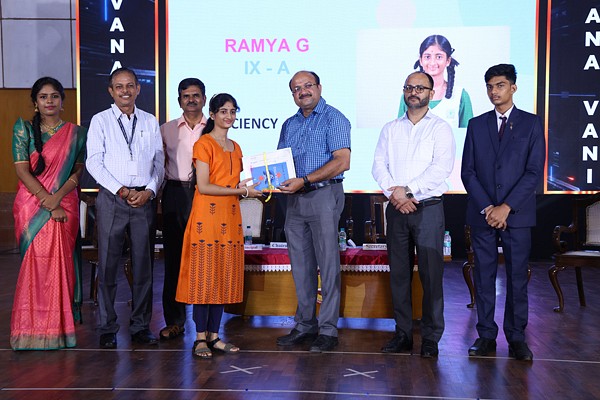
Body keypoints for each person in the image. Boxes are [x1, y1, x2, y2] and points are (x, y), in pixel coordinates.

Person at [461, 64, 545, 361]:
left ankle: (517, 337)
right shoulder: (476, 124)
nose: (494, 91)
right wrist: (489, 208)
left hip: (517, 215)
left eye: (500, 85)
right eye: (489, 86)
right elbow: (468, 172)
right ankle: (486, 335)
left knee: (517, 277)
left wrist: (506, 208)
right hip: (482, 214)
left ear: (513, 87)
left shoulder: (531, 123)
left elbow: (533, 172)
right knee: (484, 277)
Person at [373, 71, 455, 358]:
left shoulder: (441, 128)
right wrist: (396, 195)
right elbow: (379, 165)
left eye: (420, 88)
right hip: (396, 209)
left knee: (431, 276)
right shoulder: (390, 129)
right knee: (399, 275)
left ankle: (430, 338)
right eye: (409, 87)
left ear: (431, 93)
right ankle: (403, 334)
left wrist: (408, 191)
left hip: (427, 208)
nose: (414, 92)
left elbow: (441, 168)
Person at [176, 93, 263, 358]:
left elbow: (231, 183)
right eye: (223, 111)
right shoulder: (204, 144)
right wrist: (242, 192)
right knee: (204, 278)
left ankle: (215, 336)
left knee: (223, 276)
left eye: (232, 111)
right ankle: (199, 338)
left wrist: (244, 187)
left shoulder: (236, 147)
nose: (229, 116)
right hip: (207, 219)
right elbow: (204, 186)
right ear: (212, 115)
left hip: (231, 218)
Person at [86, 67, 165, 349]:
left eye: (130, 85)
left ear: (138, 89)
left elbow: (159, 162)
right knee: (108, 266)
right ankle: (108, 328)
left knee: (144, 266)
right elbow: (94, 162)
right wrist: (121, 190)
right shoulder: (100, 121)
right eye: (119, 86)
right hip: (112, 199)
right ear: (111, 91)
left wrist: (150, 191)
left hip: (143, 200)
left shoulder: (149, 121)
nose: (125, 91)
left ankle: (141, 326)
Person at [276, 70, 351, 353]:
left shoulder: (335, 118)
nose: (303, 91)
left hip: (323, 195)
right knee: (301, 265)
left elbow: (342, 162)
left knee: (328, 264)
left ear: (319, 87)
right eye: (296, 89)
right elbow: (280, 163)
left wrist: (306, 180)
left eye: (308, 85)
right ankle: (305, 324)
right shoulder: (289, 124)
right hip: (294, 200)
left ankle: (328, 329)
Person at [11, 77, 87, 350]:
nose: (49, 101)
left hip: (65, 205)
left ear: (63, 102)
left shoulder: (77, 134)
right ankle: (28, 332)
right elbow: (22, 171)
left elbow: (77, 171)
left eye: (54, 96)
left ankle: (60, 332)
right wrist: (49, 202)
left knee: (61, 266)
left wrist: (57, 200)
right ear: (35, 102)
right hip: (32, 206)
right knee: (35, 265)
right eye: (43, 97)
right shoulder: (23, 130)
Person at [159, 78, 207, 341]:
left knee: (204, 260)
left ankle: (205, 325)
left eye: (196, 95)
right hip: (175, 193)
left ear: (204, 99)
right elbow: (157, 166)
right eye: (186, 96)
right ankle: (175, 321)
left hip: (205, 195)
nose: (191, 100)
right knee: (175, 260)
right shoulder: (166, 129)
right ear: (179, 101)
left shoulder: (214, 128)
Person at [398, 34, 473, 128]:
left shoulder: (460, 95)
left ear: (448, 60)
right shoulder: (409, 94)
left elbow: (468, 132)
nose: (432, 62)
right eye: (427, 57)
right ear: (421, 60)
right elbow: (399, 130)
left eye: (439, 57)